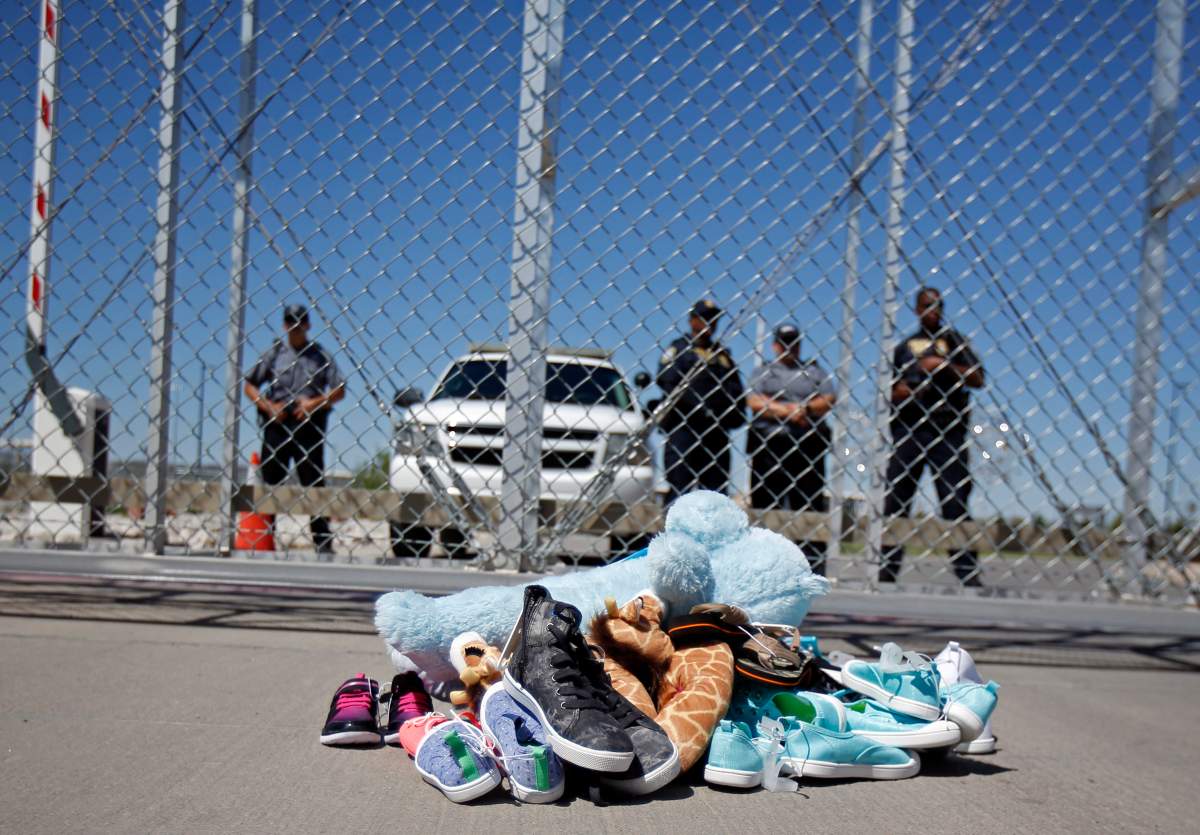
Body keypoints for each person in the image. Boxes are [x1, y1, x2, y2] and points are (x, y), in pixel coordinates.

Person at [881, 287, 984, 585]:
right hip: (910, 428)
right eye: (927, 305)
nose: (933, 310)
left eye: (938, 305)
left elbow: (978, 378)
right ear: (917, 309)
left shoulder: (955, 342)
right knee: (897, 499)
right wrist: (912, 386)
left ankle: (966, 571)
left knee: (954, 499)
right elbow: (889, 390)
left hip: (948, 429)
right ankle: (887, 569)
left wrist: (943, 366)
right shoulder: (904, 347)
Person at [243, 304, 345, 556]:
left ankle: (322, 541)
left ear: (308, 325)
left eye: (300, 322)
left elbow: (339, 389)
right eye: (290, 322)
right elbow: (249, 385)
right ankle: (264, 538)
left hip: (308, 424)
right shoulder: (275, 353)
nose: (295, 327)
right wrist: (268, 406)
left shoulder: (320, 355)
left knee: (314, 483)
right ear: (285, 325)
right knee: (270, 483)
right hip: (278, 423)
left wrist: (314, 403)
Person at [746, 324, 837, 575]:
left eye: (794, 342)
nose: (790, 348)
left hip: (807, 445)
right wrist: (788, 411)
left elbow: (829, 398)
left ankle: (811, 565)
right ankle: (760, 565)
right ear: (775, 345)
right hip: (770, 444)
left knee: (808, 504)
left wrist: (804, 409)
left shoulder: (814, 371)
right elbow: (754, 401)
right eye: (784, 342)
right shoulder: (764, 371)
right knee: (765, 504)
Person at [656, 299, 745, 504]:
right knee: (679, 490)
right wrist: (698, 405)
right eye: (704, 318)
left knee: (715, 495)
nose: (709, 324)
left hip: (715, 432)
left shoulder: (722, 355)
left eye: (713, 319)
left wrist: (728, 413)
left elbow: (736, 391)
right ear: (692, 321)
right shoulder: (679, 349)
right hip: (684, 427)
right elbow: (667, 381)